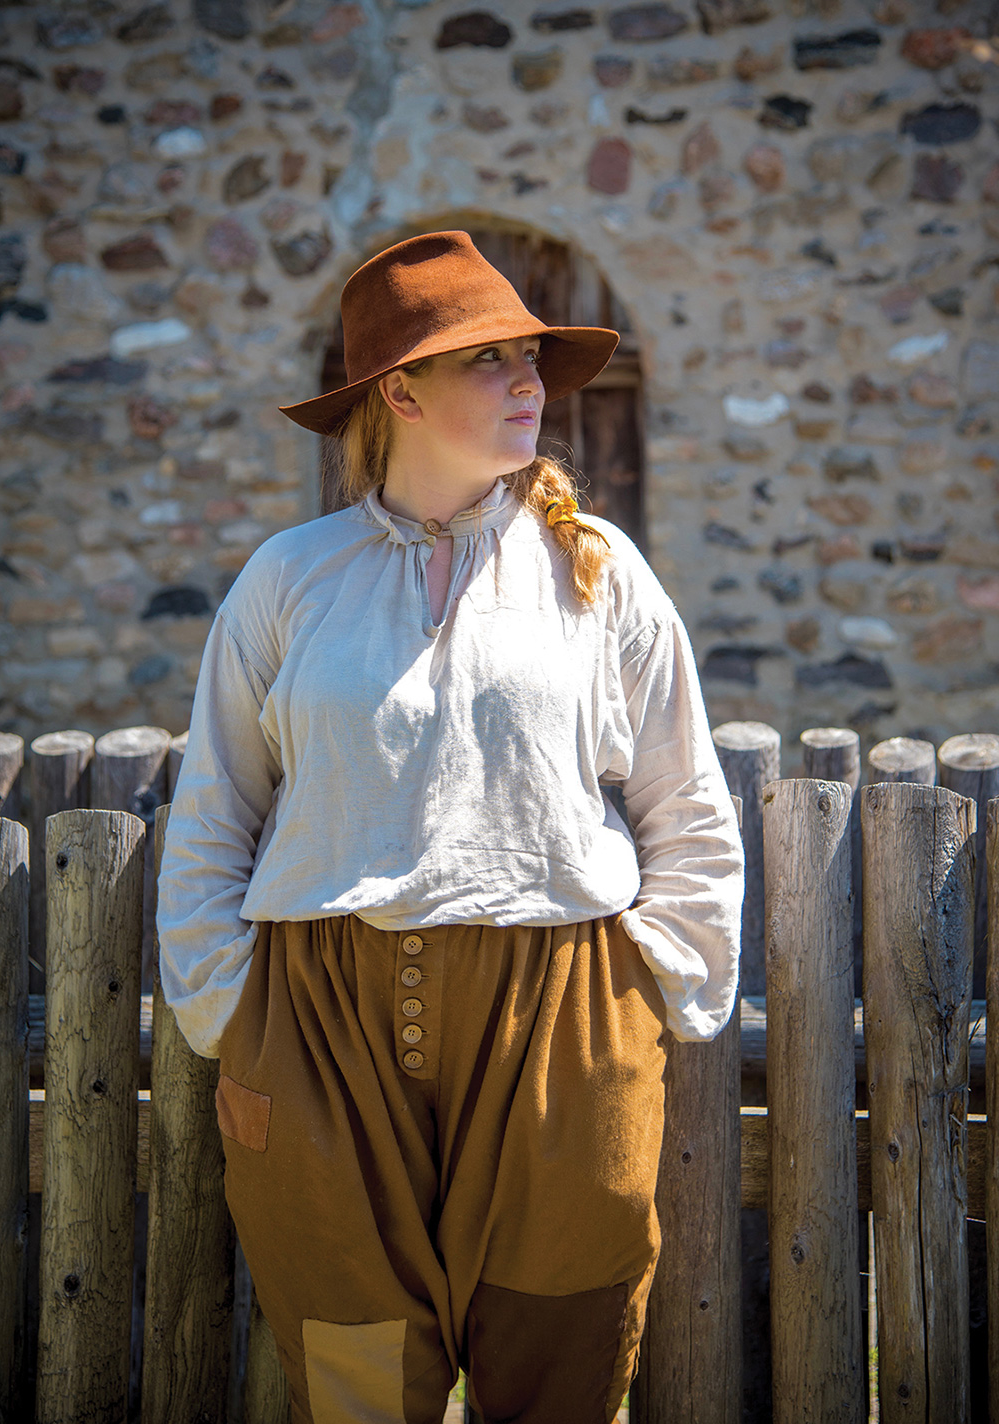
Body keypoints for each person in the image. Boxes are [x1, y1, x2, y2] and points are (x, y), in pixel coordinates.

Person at [157, 229, 744, 1424]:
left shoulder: (598, 573)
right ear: (398, 389)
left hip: (558, 1016)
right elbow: (218, 804)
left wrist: (655, 979)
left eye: (531, 356)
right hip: (319, 1021)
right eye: (490, 360)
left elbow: (685, 799)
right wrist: (230, 1001)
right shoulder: (290, 576)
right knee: (359, 1367)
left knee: (561, 1351)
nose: (530, 382)